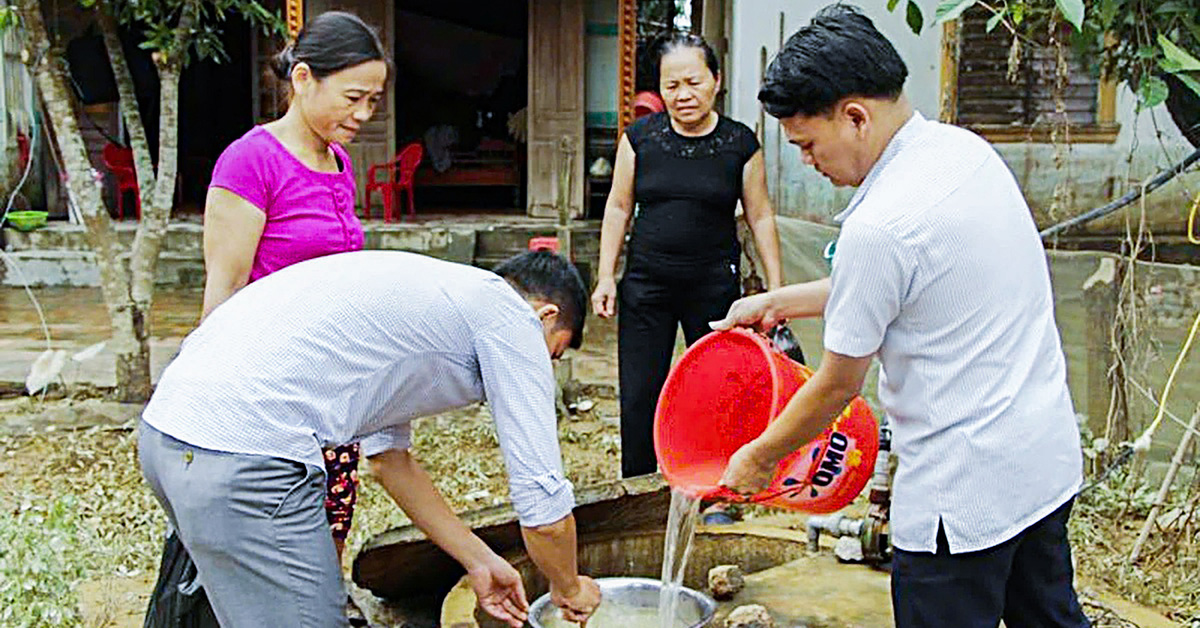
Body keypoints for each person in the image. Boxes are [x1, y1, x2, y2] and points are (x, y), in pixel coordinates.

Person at [711, 5, 1088, 627]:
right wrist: (778, 301)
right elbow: (910, 284)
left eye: (807, 144)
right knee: (1047, 619)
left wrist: (756, 459)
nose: (806, 160)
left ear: (855, 116)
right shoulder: (963, 154)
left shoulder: (879, 224)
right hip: (1039, 462)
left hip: (959, 500)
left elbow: (837, 384)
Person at [139, 250, 602, 628]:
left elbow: (390, 463)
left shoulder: (434, 298)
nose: (546, 368)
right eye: (554, 353)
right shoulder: (512, 320)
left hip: (166, 435)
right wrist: (568, 588)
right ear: (545, 315)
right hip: (247, 453)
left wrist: (478, 560)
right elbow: (543, 509)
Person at [201, 11, 385, 563]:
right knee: (274, 549)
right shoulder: (250, 161)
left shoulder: (339, 163)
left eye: (373, 101)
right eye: (353, 97)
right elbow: (224, 290)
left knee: (327, 538)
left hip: (329, 390)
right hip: (267, 395)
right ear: (303, 78)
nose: (364, 114)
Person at [591, 32, 785, 480]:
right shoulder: (639, 139)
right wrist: (606, 275)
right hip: (647, 284)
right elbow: (618, 208)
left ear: (716, 81)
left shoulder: (740, 144)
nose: (683, 95)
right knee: (640, 391)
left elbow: (760, 218)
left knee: (717, 389)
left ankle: (717, 481)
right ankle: (638, 484)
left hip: (714, 286)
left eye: (693, 82)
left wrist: (777, 290)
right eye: (671, 85)